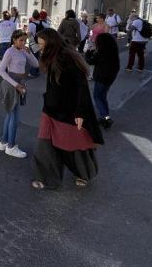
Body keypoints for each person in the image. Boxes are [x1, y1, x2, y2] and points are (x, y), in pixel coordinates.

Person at [31, 29, 104, 190]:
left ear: (52, 43)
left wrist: (79, 113)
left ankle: (83, 174)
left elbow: (81, 86)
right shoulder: (52, 55)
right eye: (40, 45)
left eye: (43, 45)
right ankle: (47, 178)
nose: (41, 49)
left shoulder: (68, 58)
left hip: (69, 111)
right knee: (43, 145)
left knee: (73, 147)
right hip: (50, 109)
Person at [0, 29, 38, 158]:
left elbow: (36, 64)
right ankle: (11, 146)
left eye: (24, 40)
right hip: (11, 84)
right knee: (14, 117)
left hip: (18, 83)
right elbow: (1, 71)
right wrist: (16, 85)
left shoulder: (23, 51)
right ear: (14, 40)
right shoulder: (10, 51)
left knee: (10, 115)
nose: (23, 43)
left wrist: (29, 52)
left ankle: (3, 142)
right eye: (21, 40)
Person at [86, 33, 120, 129]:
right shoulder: (113, 51)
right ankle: (104, 116)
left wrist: (88, 52)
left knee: (97, 97)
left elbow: (90, 61)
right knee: (102, 97)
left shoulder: (101, 52)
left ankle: (106, 117)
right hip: (110, 77)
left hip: (101, 77)